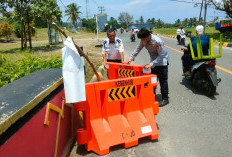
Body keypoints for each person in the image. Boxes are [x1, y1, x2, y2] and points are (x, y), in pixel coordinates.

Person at [127, 28, 169, 107]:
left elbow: (162, 55)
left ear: (148, 36)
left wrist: (151, 64)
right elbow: (138, 48)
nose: (143, 41)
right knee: (152, 80)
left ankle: (165, 98)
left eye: (144, 39)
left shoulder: (157, 41)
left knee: (163, 80)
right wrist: (131, 58)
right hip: (153, 62)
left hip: (162, 62)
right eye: (142, 39)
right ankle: (152, 96)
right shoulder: (143, 40)